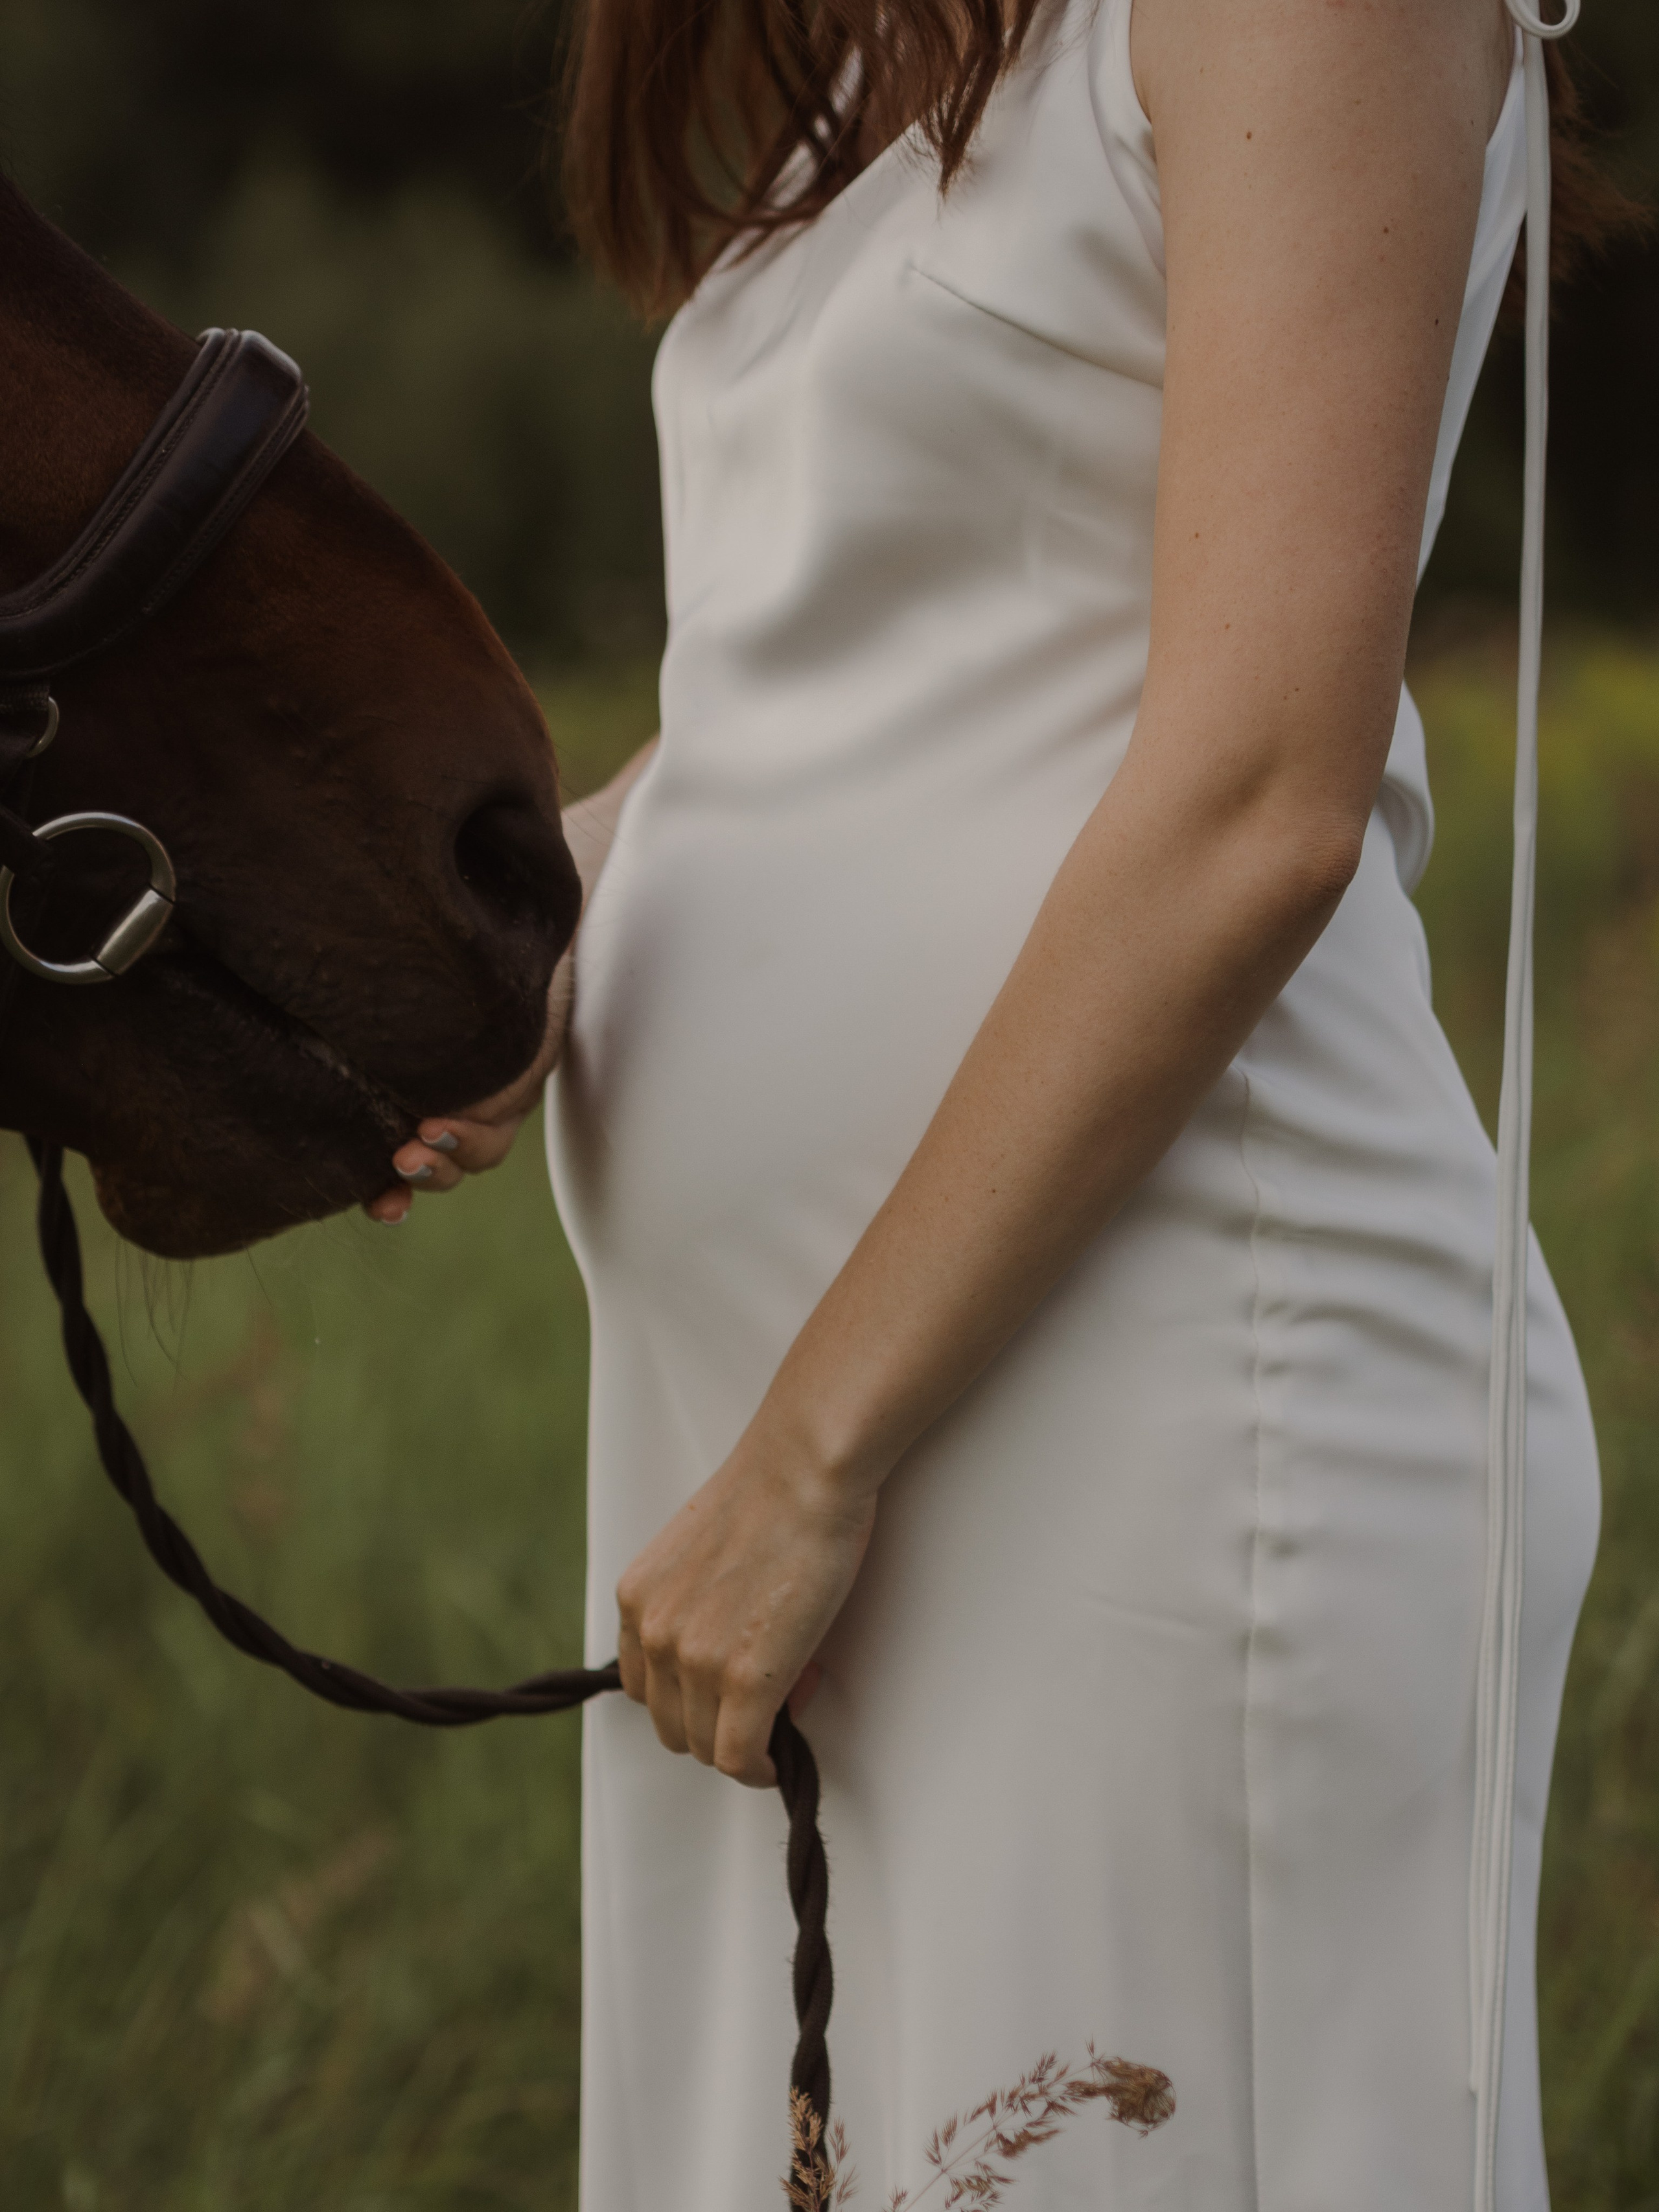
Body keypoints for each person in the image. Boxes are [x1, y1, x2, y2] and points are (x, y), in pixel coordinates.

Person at [371, 1, 1612, 2202]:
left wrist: (814, 1456)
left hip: (1149, 1422)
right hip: (829, 1434)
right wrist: (555, 905)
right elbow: (863, 669)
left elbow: (1257, 793)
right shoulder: (920, 67)